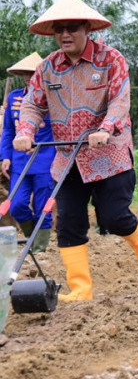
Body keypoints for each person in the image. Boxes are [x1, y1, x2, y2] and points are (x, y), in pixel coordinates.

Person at [13, 0, 138, 302]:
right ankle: (80, 290)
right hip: (67, 158)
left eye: (72, 28)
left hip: (110, 154)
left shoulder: (111, 60)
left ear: (87, 29)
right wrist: (25, 132)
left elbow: (120, 101)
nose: (65, 35)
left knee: (113, 217)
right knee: (68, 222)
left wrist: (106, 128)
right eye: (59, 30)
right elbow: (32, 105)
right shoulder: (47, 68)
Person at [1, 52, 55, 252]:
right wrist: (5, 157)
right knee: (17, 205)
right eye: (25, 74)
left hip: (45, 159)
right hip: (19, 161)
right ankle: (32, 237)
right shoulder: (14, 98)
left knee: (43, 206)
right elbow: (8, 130)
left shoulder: (53, 99)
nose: (28, 77)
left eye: (31, 73)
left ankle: (39, 247)